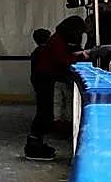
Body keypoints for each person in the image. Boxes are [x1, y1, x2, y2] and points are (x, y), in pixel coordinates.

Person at [26, 16, 89, 161]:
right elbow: (62, 60)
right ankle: (34, 143)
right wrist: (81, 57)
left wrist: (76, 55)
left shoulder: (57, 39)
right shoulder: (57, 41)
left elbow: (63, 57)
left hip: (45, 77)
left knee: (45, 111)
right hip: (45, 78)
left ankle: (35, 142)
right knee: (44, 112)